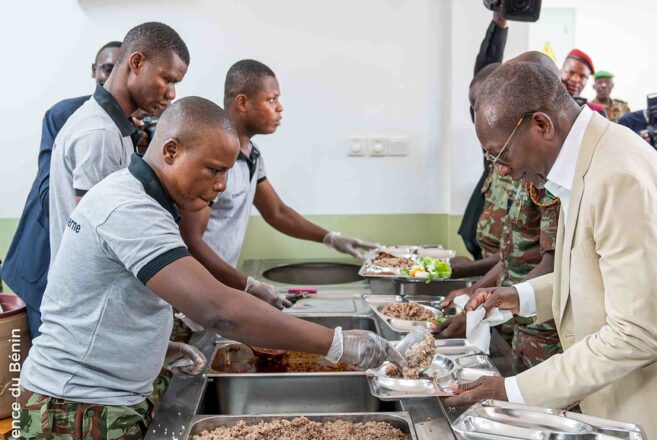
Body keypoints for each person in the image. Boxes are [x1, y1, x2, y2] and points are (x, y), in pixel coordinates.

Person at [17, 97, 400, 439]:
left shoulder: (142, 199)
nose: (221, 185)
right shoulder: (129, 208)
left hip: (96, 396)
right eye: (214, 170)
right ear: (170, 150)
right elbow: (217, 310)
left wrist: (149, 347)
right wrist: (336, 344)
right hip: (74, 408)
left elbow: (101, 296)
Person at [443, 61, 657, 439]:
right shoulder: (585, 161)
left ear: (542, 125)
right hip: (614, 393)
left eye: (500, 155)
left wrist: (511, 391)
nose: (501, 171)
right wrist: (518, 297)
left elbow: (636, 333)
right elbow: (589, 271)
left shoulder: (617, 176)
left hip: (647, 404)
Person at [179, 60, 377, 309]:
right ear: (242, 103)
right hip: (193, 294)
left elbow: (276, 212)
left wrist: (331, 239)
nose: (280, 108)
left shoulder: (252, 155)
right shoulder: (213, 159)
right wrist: (247, 286)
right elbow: (191, 242)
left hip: (219, 291)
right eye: (271, 100)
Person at [440, 52, 562, 371]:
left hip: (542, 325)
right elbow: (514, 254)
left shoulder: (549, 173)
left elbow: (550, 262)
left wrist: (482, 303)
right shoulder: (522, 164)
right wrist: (474, 288)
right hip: (515, 312)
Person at [1, 41, 121, 339]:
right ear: (94, 71)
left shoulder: (133, 127)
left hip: (86, 280)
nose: (113, 77)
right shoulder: (71, 117)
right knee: (41, 367)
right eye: (107, 68)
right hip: (42, 261)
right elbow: (48, 192)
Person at [48, 22, 189, 258]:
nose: (172, 93)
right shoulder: (100, 133)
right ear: (136, 63)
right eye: (167, 79)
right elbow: (102, 234)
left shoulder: (112, 125)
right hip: (92, 292)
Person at [455, 3, 512, 276]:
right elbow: (485, 70)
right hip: (483, 257)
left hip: (508, 269)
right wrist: (498, 23)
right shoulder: (490, 138)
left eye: (480, 104)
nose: (476, 113)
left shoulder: (529, 154)